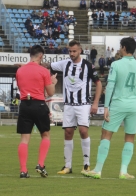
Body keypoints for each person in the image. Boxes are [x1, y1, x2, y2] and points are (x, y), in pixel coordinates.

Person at [82, 37, 136, 179]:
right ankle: (123, 171)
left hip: (118, 103)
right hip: (133, 106)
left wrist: (106, 106)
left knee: (106, 135)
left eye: (120, 46)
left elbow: (111, 85)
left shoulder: (116, 65)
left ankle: (98, 170)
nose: (119, 49)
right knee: (130, 137)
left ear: (124, 48)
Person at [47, 40, 102, 175]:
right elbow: (47, 66)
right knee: (68, 133)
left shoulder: (88, 66)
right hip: (69, 104)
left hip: (83, 104)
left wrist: (95, 103)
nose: (71, 54)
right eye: (70, 51)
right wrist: (32, 66)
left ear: (80, 51)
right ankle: (67, 166)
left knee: (83, 131)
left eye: (74, 51)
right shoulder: (65, 64)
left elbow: (99, 84)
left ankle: (86, 164)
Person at [16, 45, 57, 178]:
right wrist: (53, 82)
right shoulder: (44, 71)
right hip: (39, 104)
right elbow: (50, 93)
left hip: (24, 105)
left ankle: (23, 170)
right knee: (45, 135)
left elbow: (21, 87)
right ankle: (40, 164)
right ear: (40, 56)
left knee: (24, 139)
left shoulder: (20, 71)